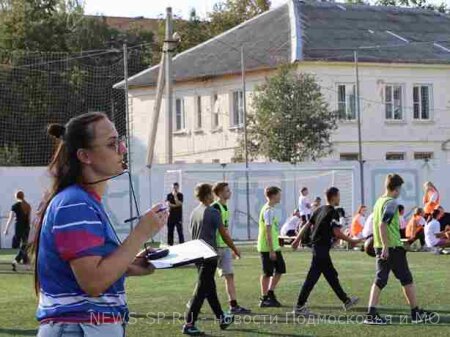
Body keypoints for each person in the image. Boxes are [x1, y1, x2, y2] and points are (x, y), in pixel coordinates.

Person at [32, 112, 168, 337]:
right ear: (85, 156)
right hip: (79, 327)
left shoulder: (81, 201)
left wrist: (133, 264)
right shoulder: (74, 203)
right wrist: (141, 233)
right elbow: (93, 283)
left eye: (120, 141)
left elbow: (92, 268)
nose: (122, 149)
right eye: (112, 144)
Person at [364, 174, 436, 325]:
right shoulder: (391, 203)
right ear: (396, 188)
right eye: (400, 188)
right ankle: (416, 313)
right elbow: (383, 225)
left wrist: (382, 246)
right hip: (392, 248)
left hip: (382, 246)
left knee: (380, 280)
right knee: (406, 280)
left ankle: (371, 314)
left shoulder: (378, 202)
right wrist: (385, 246)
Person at [291, 187, 361, 316]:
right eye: (339, 196)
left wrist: (297, 240)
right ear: (333, 197)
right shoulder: (332, 212)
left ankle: (346, 300)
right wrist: (352, 240)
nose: (339, 198)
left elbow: (307, 225)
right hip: (321, 249)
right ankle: (299, 307)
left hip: (318, 248)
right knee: (312, 278)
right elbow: (336, 232)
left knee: (331, 275)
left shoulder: (319, 209)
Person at [184, 183, 239, 336]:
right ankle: (189, 323)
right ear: (209, 195)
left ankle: (222, 318)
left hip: (197, 254)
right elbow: (224, 234)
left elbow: (192, 232)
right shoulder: (213, 212)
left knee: (209, 288)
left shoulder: (194, 212)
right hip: (209, 255)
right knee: (202, 289)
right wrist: (235, 249)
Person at [211, 182, 251, 314]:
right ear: (220, 193)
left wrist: (231, 247)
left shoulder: (225, 207)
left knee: (230, 276)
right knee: (206, 279)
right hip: (215, 248)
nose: (230, 192)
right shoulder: (215, 207)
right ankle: (194, 302)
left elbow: (225, 230)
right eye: (227, 191)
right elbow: (217, 230)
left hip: (225, 247)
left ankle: (233, 305)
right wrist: (234, 248)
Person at [257, 186, 286, 308]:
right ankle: (264, 298)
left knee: (280, 269)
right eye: (279, 194)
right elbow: (267, 232)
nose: (280, 197)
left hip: (274, 246)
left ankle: (270, 292)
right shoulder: (268, 210)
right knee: (267, 273)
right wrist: (271, 250)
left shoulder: (271, 209)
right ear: (273, 195)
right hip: (267, 247)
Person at [3, 190, 32, 271]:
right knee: (24, 245)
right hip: (26, 227)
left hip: (18, 227)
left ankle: (17, 261)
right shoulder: (28, 205)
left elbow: (10, 218)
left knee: (19, 245)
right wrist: (29, 227)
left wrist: (6, 229)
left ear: (16, 197)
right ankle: (25, 263)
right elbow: (29, 218)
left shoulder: (15, 206)